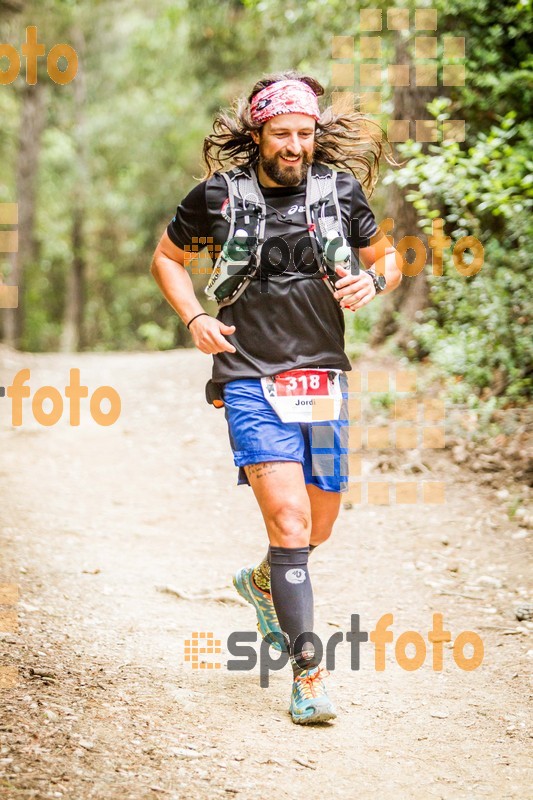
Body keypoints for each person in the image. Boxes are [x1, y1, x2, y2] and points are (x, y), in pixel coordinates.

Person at [151, 71, 403, 724]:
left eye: (304, 132)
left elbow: (388, 256)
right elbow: (166, 258)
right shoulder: (216, 196)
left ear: (315, 134)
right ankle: (309, 677)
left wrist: (373, 281)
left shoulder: (339, 191)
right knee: (289, 522)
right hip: (247, 375)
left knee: (317, 524)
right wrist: (194, 319)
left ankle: (264, 580)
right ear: (258, 133)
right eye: (281, 133)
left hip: (319, 374)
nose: (294, 144)